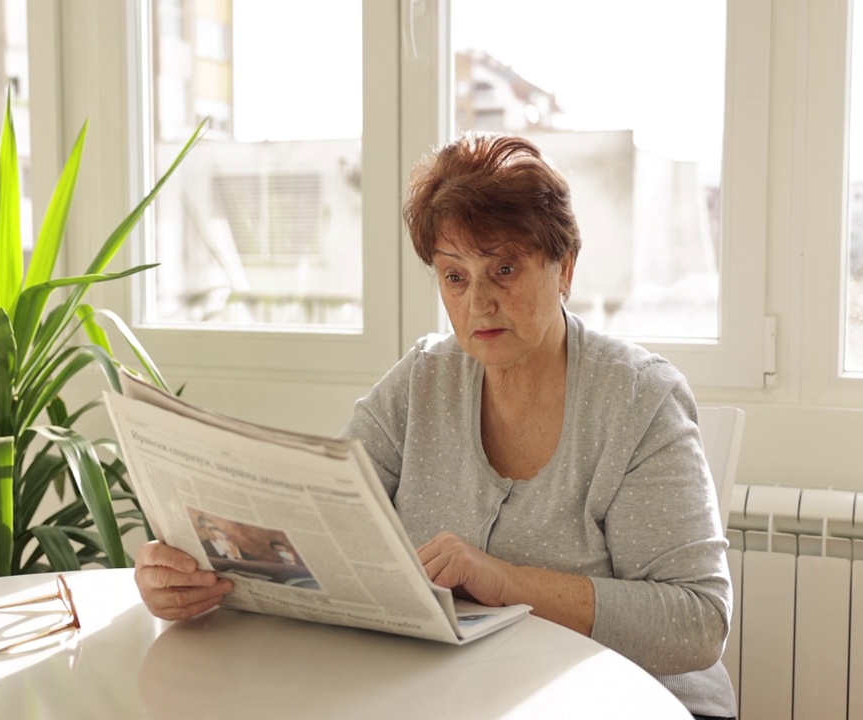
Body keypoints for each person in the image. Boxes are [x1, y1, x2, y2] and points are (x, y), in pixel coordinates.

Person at [134, 133, 735, 720]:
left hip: (628, 700)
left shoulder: (638, 399)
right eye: (455, 276)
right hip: (461, 695)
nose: (478, 304)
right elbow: (315, 525)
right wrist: (193, 574)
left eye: (504, 269)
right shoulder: (423, 380)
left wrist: (506, 582)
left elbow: (697, 621)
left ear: (564, 266)